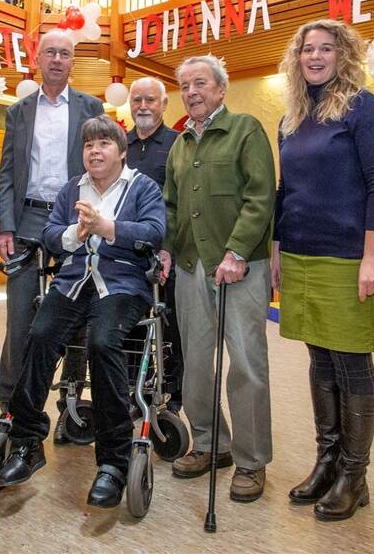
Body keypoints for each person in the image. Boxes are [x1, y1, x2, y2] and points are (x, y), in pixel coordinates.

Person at [0, 116, 166, 508]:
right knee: (38, 337)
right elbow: (52, 233)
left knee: (104, 342)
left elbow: (155, 231)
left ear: (121, 152)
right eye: (89, 145)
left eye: (104, 144)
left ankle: (112, 462)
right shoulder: (71, 188)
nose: (95, 150)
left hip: (122, 285)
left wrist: (107, 227)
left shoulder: (143, 187)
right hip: (73, 282)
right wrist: (77, 233)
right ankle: (25, 442)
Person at [272, 20, 374, 521]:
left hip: (346, 255)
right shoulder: (292, 118)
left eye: (326, 49)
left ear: (343, 55)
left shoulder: (362, 106)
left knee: (351, 362)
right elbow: (285, 191)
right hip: (300, 252)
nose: (315, 57)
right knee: (320, 358)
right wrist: (277, 246)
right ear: (297, 59)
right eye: (307, 50)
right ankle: (327, 461)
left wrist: (373, 256)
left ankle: (354, 473)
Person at [163, 53, 276, 503]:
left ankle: (251, 460)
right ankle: (211, 444)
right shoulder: (179, 144)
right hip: (191, 268)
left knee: (247, 364)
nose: (192, 92)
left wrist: (237, 251)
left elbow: (260, 196)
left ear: (221, 89)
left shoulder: (245, 129)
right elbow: (171, 206)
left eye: (201, 83)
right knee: (195, 363)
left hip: (240, 268)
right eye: (186, 85)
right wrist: (168, 248)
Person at [0, 29, 104, 427]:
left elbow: (103, 165)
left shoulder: (92, 107)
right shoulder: (18, 111)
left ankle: (71, 405)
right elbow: (7, 173)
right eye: (50, 53)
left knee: (75, 313)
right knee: (20, 315)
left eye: (65, 54)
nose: (57, 59)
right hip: (28, 219)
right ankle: (11, 405)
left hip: (76, 216)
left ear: (73, 62)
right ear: (38, 60)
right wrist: (4, 227)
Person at [125, 77, 183, 412]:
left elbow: (181, 203)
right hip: (129, 254)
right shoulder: (120, 144)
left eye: (150, 100)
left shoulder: (178, 143)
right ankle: (135, 393)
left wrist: (169, 249)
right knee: (132, 328)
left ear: (163, 104)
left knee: (172, 329)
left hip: (168, 254)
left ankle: (174, 397)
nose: (143, 106)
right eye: (137, 100)